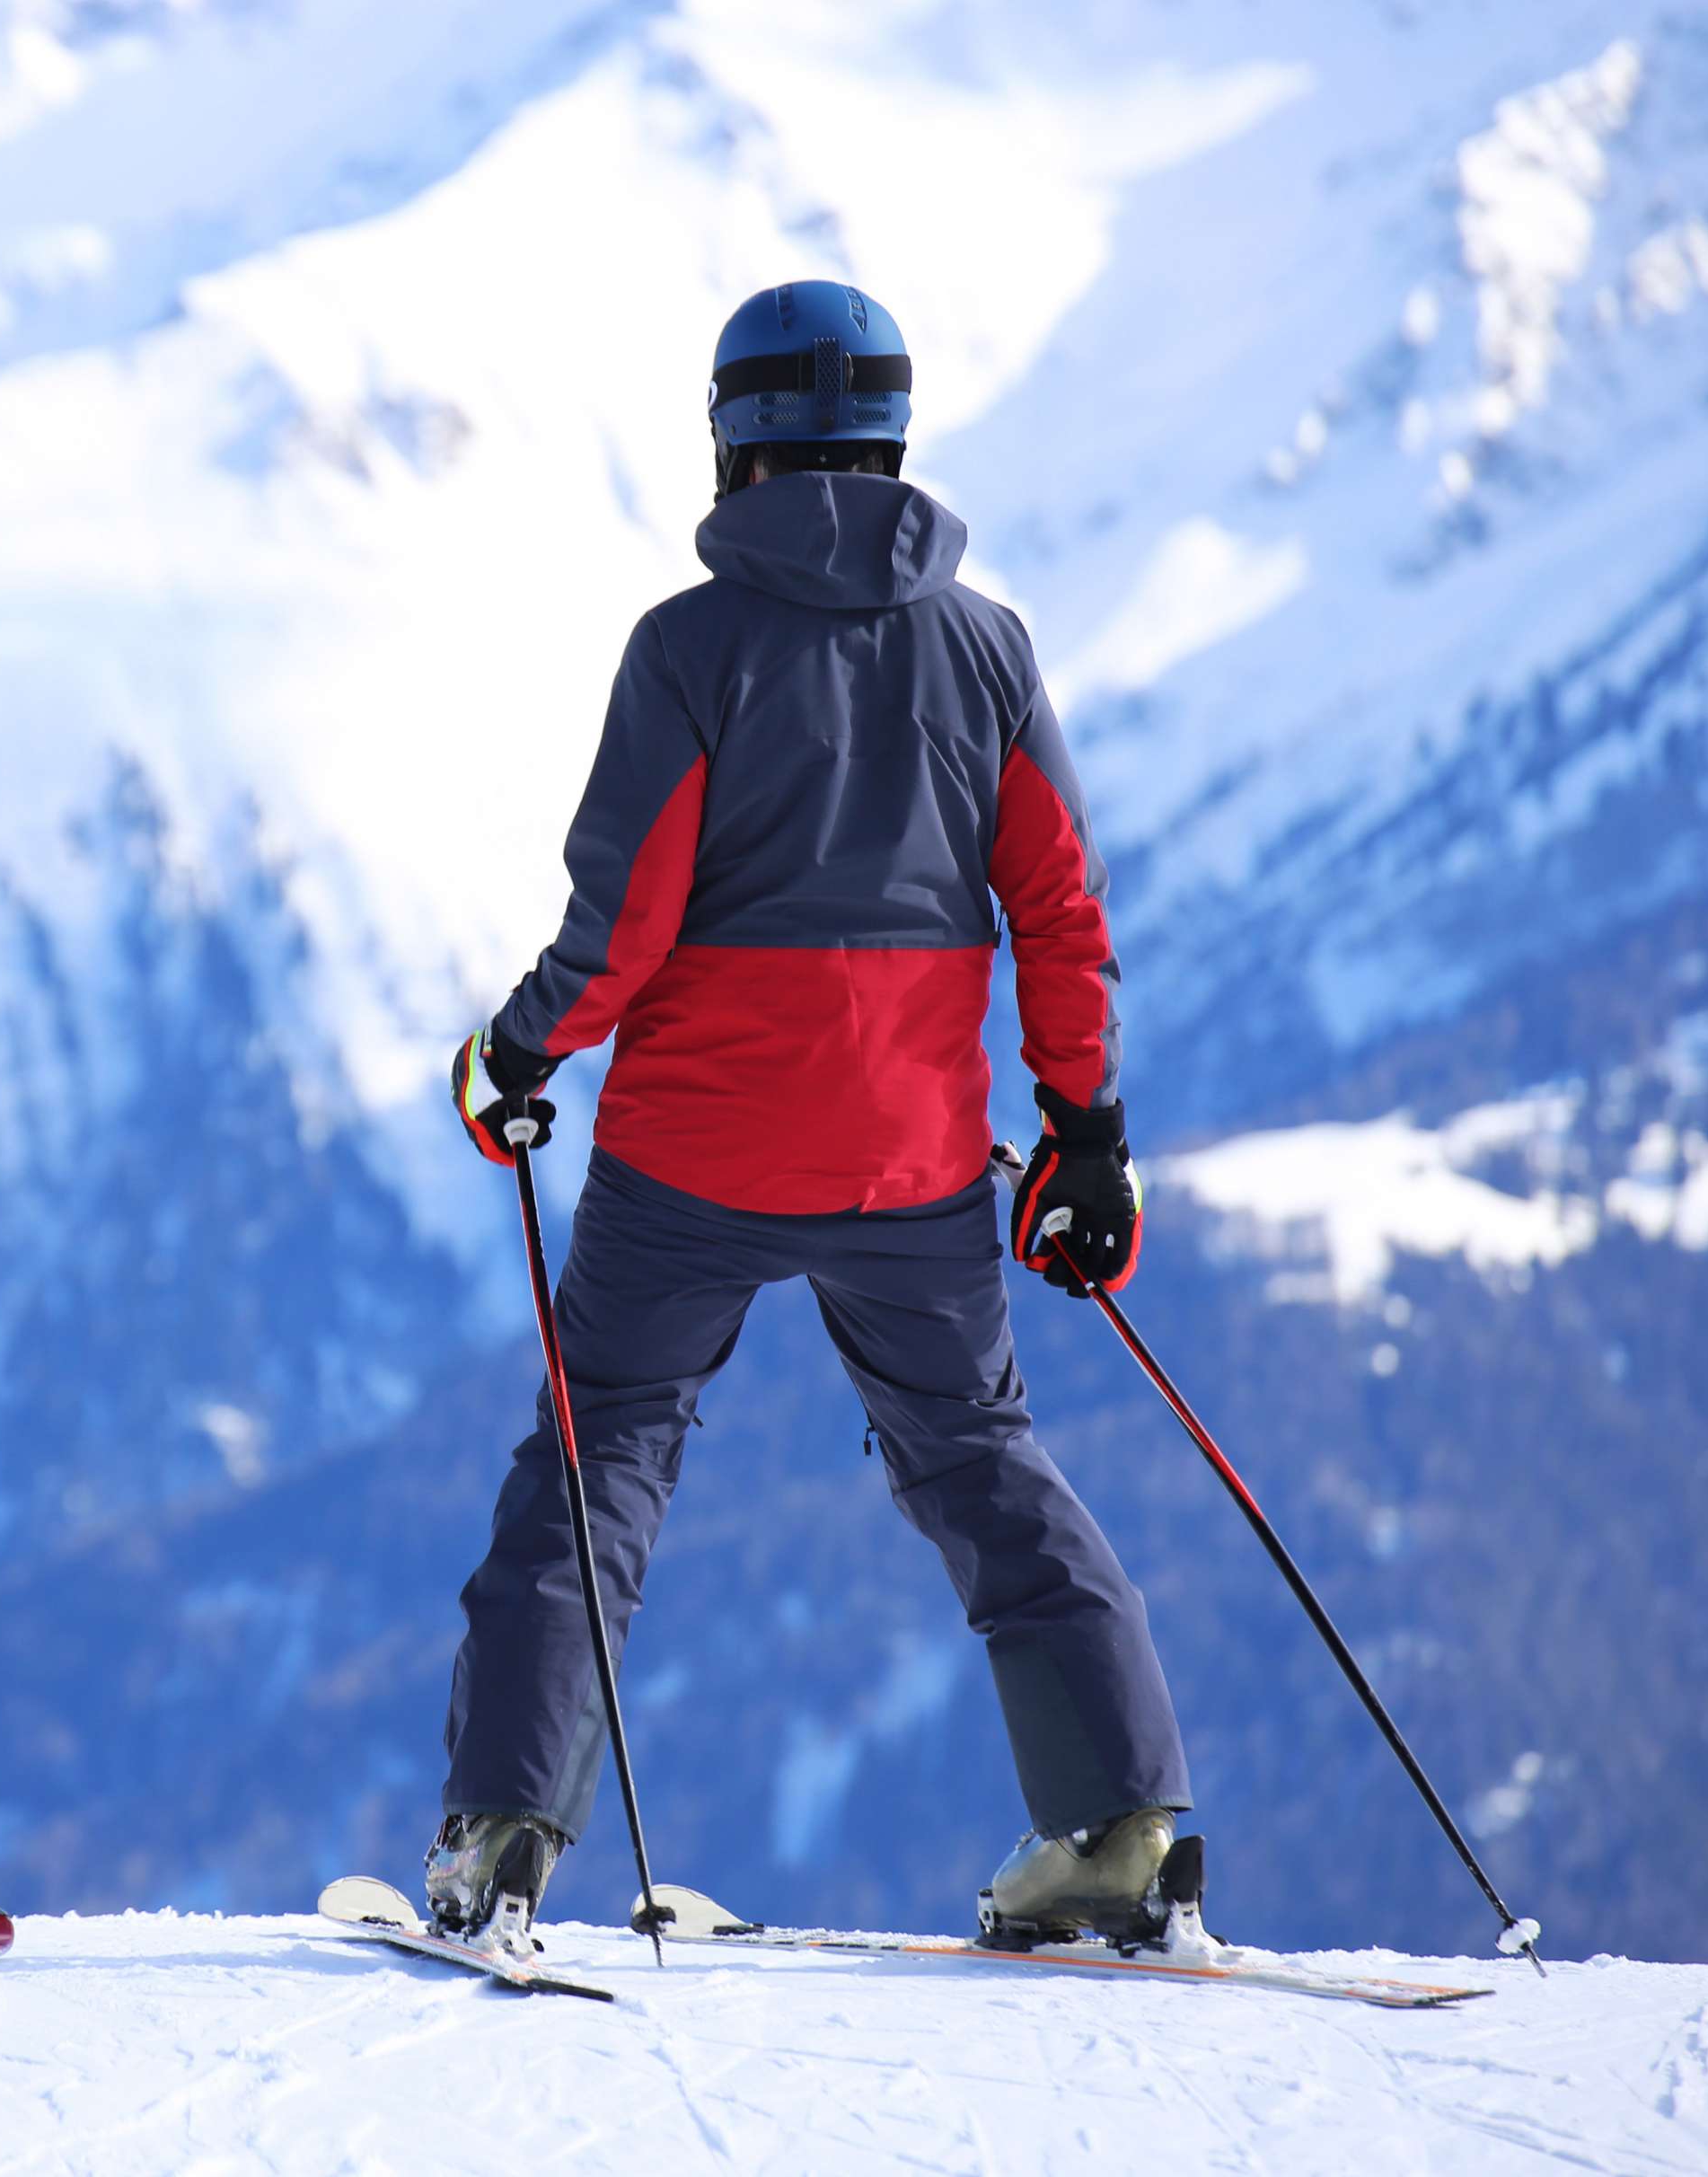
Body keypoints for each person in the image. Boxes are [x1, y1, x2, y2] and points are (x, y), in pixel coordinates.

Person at [431, 279, 1190, 1951]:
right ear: (892, 434)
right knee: (979, 1460)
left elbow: (620, 926)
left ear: (729, 439)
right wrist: (1085, 1135)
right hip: (908, 1161)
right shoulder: (984, 648)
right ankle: (1117, 1835)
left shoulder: (686, 646)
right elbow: (1058, 911)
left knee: (600, 1448)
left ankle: (497, 1841)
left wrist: (517, 1058)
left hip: (689, 1158)